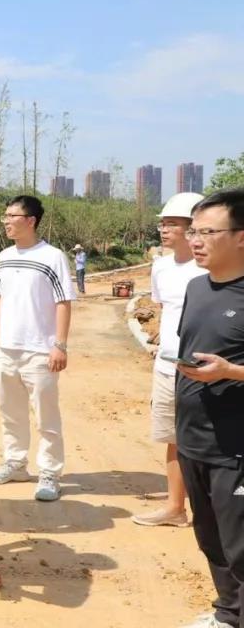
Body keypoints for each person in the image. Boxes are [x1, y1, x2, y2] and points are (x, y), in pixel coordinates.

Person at [171, 189, 244, 628]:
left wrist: (231, 372)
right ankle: (229, 614)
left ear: (241, 238)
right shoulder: (197, 287)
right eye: (192, 231)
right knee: (211, 538)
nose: (194, 240)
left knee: (241, 546)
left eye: (207, 232)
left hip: (236, 445)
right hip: (194, 438)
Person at [0, 195, 76, 502]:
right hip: (7, 348)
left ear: (31, 220)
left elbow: (63, 302)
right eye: (4, 216)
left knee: (45, 415)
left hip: (39, 349)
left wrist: (59, 345)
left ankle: (49, 472)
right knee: (11, 412)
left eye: (12, 216)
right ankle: (16, 462)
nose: (6, 221)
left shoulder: (53, 257)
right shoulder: (5, 256)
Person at [133, 192, 206, 529]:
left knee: (211, 440)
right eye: (162, 224)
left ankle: (216, 511)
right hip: (167, 366)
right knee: (173, 438)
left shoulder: (208, 268)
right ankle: (175, 507)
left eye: (172, 224)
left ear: (194, 228)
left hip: (204, 368)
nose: (164, 230)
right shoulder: (160, 267)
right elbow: (164, 308)